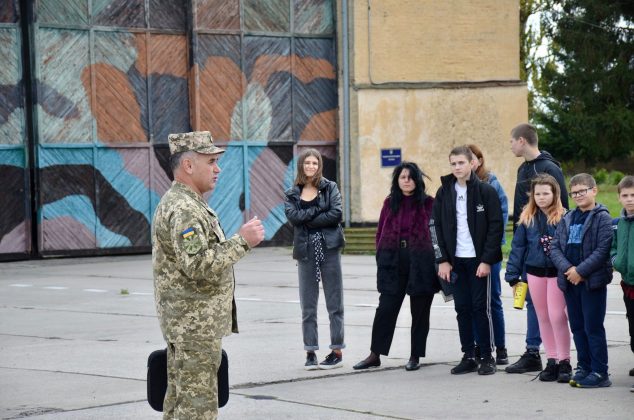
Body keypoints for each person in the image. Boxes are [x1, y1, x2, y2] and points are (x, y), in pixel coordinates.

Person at [152, 131, 265, 419]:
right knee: (196, 410)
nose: (218, 169)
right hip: (194, 329)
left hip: (191, 326)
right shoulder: (184, 209)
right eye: (211, 161)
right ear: (189, 165)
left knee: (180, 405)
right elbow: (198, 265)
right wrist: (242, 241)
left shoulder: (187, 202)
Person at [353, 162, 438, 372]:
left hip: (421, 261)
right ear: (397, 180)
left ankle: (415, 355)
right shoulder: (390, 202)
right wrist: (381, 254)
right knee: (386, 308)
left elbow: (436, 233)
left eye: (410, 177)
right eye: (402, 177)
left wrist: (438, 259)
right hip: (393, 260)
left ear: (417, 180)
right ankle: (375, 354)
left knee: (419, 311)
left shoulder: (429, 203)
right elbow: (380, 231)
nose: (406, 181)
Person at [430, 146, 504, 375]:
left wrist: (486, 260)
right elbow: (435, 227)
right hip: (455, 261)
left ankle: (486, 356)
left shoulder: (486, 192)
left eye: (461, 163)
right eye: (453, 163)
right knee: (462, 308)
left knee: (481, 308)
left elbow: (496, 227)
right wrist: (442, 259)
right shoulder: (444, 193)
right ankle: (469, 354)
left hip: (478, 261)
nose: (457, 167)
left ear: (473, 164)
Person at [506, 123, 569, 374]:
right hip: (529, 249)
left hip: (553, 260)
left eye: (511, 141)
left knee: (554, 312)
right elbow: (520, 211)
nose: (510, 145)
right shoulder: (523, 169)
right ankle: (537, 353)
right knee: (534, 304)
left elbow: (563, 207)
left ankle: (558, 358)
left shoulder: (550, 168)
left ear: (522, 140)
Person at [284, 148, 346, 370]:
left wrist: (307, 219)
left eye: (314, 163)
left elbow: (336, 214)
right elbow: (293, 217)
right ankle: (310, 351)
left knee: (334, 303)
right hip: (305, 251)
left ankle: (336, 350)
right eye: (307, 163)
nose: (311, 166)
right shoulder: (292, 193)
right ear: (301, 166)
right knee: (308, 305)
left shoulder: (330, 188)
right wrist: (319, 212)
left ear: (319, 165)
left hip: (329, 248)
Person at [550, 173, 613, 388]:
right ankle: (584, 367)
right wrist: (568, 269)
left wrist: (581, 271)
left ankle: (600, 372)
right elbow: (555, 247)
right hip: (569, 282)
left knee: (592, 327)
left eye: (582, 191)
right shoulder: (567, 217)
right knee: (577, 326)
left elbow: (603, 249)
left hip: (591, 282)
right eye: (574, 192)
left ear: (594, 190)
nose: (577, 195)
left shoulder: (602, 217)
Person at [467, 144, 509, 365]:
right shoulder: (459, 187)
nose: (469, 163)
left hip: (488, 254)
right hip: (467, 255)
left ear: (479, 161)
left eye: (472, 159)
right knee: (474, 303)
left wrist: (491, 250)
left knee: (492, 301)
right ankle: (479, 344)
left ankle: (500, 347)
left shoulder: (491, 184)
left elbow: (500, 218)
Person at [610, 175, 634, 392]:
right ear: (619, 198)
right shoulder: (618, 224)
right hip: (628, 284)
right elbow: (614, 247)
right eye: (625, 195)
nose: (630, 199)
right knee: (633, 327)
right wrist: (615, 260)